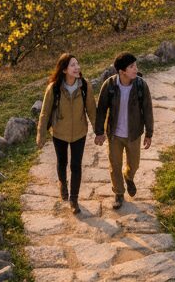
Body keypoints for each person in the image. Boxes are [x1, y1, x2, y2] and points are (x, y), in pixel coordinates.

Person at [36, 52, 97, 215]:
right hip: (59, 132)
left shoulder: (85, 85)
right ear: (64, 70)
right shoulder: (54, 88)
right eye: (72, 65)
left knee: (76, 165)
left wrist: (99, 131)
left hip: (79, 132)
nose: (77, 68)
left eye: (77, 64)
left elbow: (91, 109)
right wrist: (41, 134)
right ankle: (63, 183)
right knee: (62, 162)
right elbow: (45, 112)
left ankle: (74, 199)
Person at [94, 52, 153, 210]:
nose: (136, 69)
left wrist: (149, 134)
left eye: (135, 65)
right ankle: (119, 193)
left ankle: (129, 176)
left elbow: (148, 110)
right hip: (115, 135)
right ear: (122, 72)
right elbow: (101, 110)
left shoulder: (141, 85)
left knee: (134, 164)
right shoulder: (110, 85)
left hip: (134, 134)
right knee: (115, 165)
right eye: (132, 66)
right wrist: (99, 132)